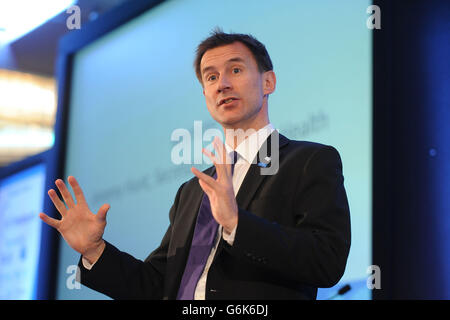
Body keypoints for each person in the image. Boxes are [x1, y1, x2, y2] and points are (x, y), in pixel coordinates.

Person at [39, 30, 351, 300]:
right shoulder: (191, 190)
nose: (222, 84)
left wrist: (237, 224)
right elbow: (157, 286)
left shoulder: (309, 161)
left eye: (236, 70)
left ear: (268, 81)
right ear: (205, 94)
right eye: (211, 77)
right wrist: (95, 251)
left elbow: (327, 260)